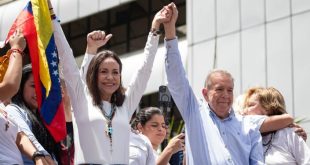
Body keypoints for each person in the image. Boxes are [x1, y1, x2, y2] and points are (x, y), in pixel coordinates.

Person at [163, 3, 296, 165]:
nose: (225, 95)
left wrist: (293, 127)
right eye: (219, 89)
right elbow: (176, 78)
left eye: (230, 90)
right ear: (205, 93)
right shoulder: (195, 113)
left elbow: (257, 161)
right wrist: (170, 31)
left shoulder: (248, 124)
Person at [53, 3, 172, 164]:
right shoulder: (82, 102)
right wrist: (52, 17)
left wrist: (155, 27)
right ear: (93, 75)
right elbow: (67, 59)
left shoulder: (125, 106)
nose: (110, 77)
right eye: (104, 72)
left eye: (115, 72)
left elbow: (144, 70)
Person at [0, 30, 50, 164]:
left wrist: (37, 156)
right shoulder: (12, 107)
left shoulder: (2, 108)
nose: (3, 64)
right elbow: (11, 85)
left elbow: (18, 136)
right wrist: (16, 49)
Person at [6, 64, 59, 165]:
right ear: (21, 86)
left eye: (43, 88)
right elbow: (27, 137)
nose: (39, 92)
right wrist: (42, 157)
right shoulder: (12, 110)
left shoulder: (44, 118)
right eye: (33, 86)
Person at [243, 87, 310, 164]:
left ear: (269, 108)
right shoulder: (246, 139)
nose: (245, 110)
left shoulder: (289, 134)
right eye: (245, 106)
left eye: (251, 105)